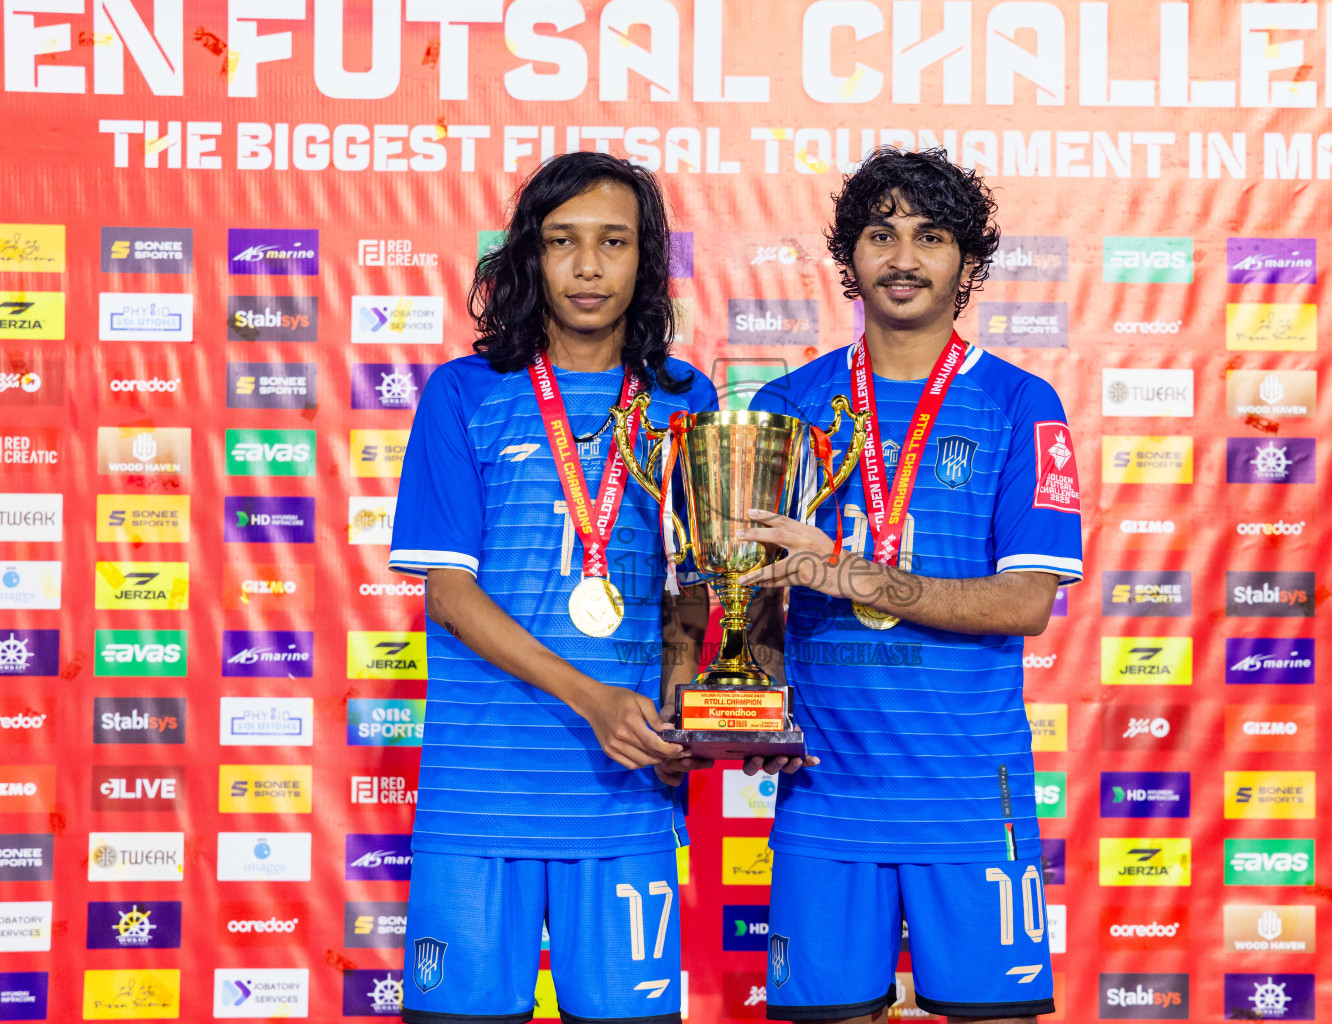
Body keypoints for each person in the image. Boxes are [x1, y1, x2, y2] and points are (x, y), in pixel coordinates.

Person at [741, 147, 1083, 1024]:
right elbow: (758, 594)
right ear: (848, 257)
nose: (903, 258)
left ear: (967, 265)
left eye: (930, 237)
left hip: (969, 798)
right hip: (825, 798)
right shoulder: (787, 405)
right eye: (880, 234)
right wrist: (752, 699)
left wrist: (848, 572)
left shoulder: (1022, 405)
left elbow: (1025, 604)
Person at [388, 151, 717, 1024]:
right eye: (562, 241)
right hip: (481, 793)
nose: (588, 266)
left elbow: (691, 577)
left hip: (623, 797)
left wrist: (680, 695)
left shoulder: (684, 398)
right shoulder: (465, 392)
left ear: (646, 259)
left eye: (614, 241)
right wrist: (594, 699)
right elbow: (450, 597)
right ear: (530, 254)